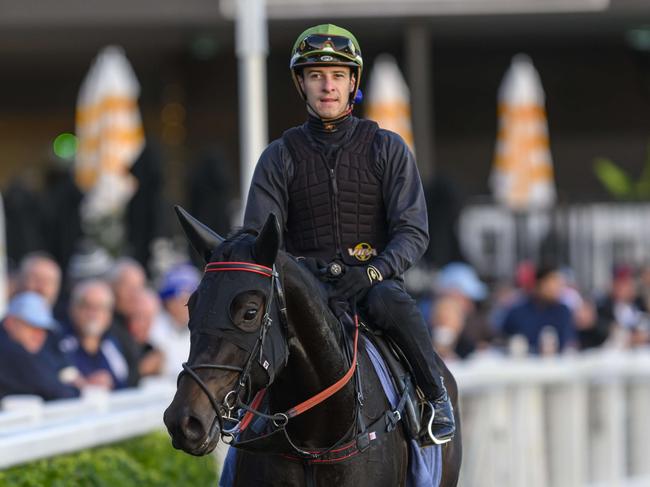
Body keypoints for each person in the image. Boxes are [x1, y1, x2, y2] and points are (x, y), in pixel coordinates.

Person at [243, 24, 454, 445]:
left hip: (371, 286)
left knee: (392, 302)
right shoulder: (278, 156)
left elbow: (412, 231)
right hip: (303, 290)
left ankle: (435, 396)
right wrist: (302, 270)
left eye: (338, 76)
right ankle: (239, 419)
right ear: (301, 83)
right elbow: (257, 237)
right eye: (317, 76)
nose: (328, 87)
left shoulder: (388, 148)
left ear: (353, 82)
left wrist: (373, 272)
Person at [0, 292, 81, 400]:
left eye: (43, 330)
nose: (39, 335)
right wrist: (76, 389)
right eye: (32, 326)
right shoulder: (10, 350)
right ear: (9, 323)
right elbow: (55, 391)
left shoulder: (32, 350)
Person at [58, 280, 130, 390]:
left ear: (109, 315)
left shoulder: (112, 345)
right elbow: (57, 374)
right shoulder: (59, 342)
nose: (93, 314)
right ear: (73, 309)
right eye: (86, 306)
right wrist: (83, 384)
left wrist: (111, 382)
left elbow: (123, 380)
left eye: (100, 308)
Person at [501, 265, 577, 354]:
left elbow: (569, 342)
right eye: (552, 283)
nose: (556, 288)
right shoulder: (517, 312)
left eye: (558, 284)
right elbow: (502, 338)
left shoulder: (563, 312)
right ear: (540, 284)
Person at [149, 264, 200, 378]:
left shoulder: (205, 328)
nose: (185, 305)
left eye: (189, 299)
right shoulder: (153, 328)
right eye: (179, 299)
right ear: (167, 302)